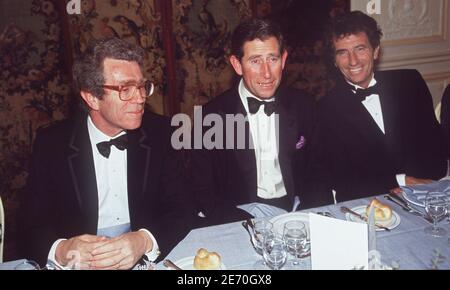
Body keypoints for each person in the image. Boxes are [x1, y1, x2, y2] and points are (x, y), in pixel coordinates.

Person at [19, 38, 191, 269]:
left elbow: (182, 208)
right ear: (91, 97)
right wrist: (61, 249)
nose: (140, 98)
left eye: (142, 86)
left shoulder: (161, 132)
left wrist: (143, 240)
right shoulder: (52, 144)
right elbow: (30, 227)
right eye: (125, 89)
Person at [190, 19, 327, 226]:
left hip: (297, 213)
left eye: (272, 59)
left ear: (283, 59)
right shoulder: (210, 118)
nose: (266, 73)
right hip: (239, 218)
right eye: (255, 61)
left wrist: (313, 218)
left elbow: (318, 172)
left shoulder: (305, 105)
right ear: (237, 65)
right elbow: (203, 192)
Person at [310, 11, 446, 202]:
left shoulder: (410, 83)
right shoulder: (325, 109)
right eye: (343, 53)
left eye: (360, 49)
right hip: (369, 205)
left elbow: (436, 154)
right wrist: (400, 180)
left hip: (426, 196)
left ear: (375, 51)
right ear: (334, 60)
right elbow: (341, 180)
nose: (353, 61)